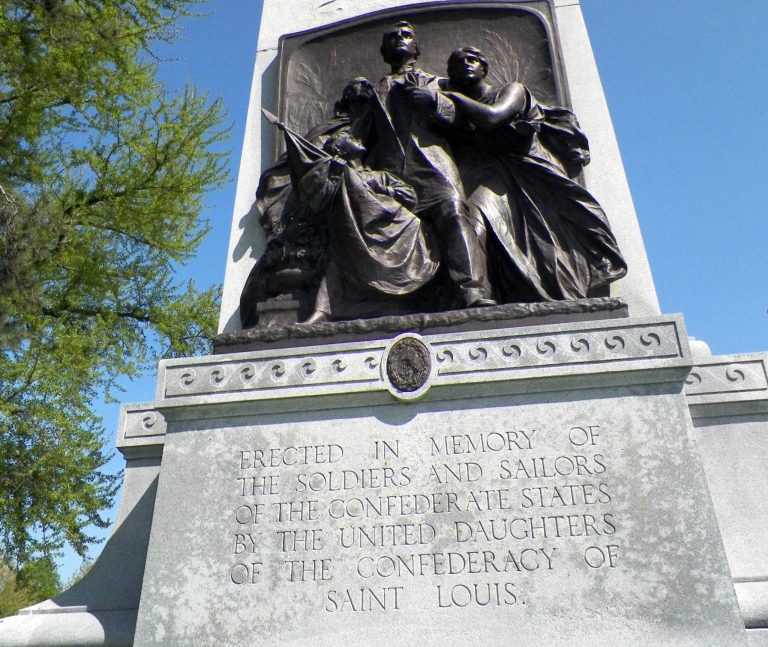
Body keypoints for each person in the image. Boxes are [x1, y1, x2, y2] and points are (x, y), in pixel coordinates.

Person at [438, 46, 627, 303]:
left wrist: (452, 97)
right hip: (496, 175)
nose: (466, 65)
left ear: (484, 68)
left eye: (472, 60)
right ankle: (477, 295)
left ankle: (556, 291)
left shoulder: (512, 91)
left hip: (536, 177)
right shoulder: (460, 114)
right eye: (458, 63)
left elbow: (494, 118)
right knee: (474, 215)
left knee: (550, 253)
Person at [372, 22, 495, 308]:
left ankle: (472, 291)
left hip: (433, 167)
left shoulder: (438, 84)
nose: (399, 40)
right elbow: (363, 136)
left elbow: (466, 125)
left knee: (453, 213)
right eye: (392, 37)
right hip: (392, 173)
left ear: (416, 48)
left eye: (406, 35)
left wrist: (435, 103)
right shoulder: (375, 91)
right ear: (384, 50)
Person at [284, 126, 441, 322]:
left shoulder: (380, 175)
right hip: (354, 235)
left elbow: (410, 196)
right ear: (341, 150)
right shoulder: (337, 176)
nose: (357, 139)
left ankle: (414, 296)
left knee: (417, 227)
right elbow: (320, 202)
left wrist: (383, 190)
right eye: (349, 138)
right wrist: (334, 174)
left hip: (392, 229)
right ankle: (322, 311)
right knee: (337, 257)